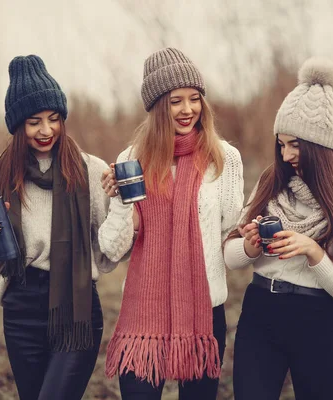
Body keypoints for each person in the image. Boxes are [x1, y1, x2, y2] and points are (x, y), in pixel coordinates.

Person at [223, 57, 333, 400]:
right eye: (281, 144)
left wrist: (311, 250)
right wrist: (251, 247)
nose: (286, 155)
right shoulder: (270, 183)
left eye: (296, 145)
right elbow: (230, 257)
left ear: (320, 146)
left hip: (316, 321)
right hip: (260, 314)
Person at [98, 47, 244, 400]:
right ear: (157, 107)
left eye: (194, 99)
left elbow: (228, 231)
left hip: (203, 313)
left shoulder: (224, 159)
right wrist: (120, 202)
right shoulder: (132, 160)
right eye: (175, 100)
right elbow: (111, 250)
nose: (187, 109)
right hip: (145, 314)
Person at [0, 54, 117, 400]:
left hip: (75, 308)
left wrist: (120, 201)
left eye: (54, 119)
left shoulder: (89, 170)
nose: (46, 130)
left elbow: (111, 252)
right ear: (19, 125)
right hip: (21, 309)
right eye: (35, 121)